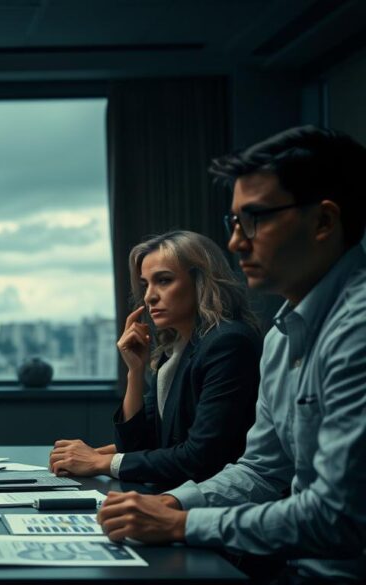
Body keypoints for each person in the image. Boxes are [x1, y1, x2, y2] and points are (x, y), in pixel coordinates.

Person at [97, 126, 366, 582]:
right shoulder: (283, 335)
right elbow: (261, 471)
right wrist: (174, 503)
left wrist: (183, 522)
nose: (238, 243)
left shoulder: (355, 331)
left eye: (256, 219)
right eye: (234, 223)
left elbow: (337, 518)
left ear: (323, 222)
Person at [49, 230, 261, 486]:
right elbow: (137, 445)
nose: (149, 295)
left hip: (216, 509)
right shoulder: (176, 348)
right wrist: (134, 372)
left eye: (163, 280)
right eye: (145, 284)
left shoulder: (228, 343)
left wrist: (99, 462)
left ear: (201, 281)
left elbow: (200, 458)